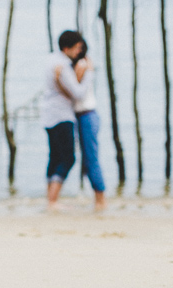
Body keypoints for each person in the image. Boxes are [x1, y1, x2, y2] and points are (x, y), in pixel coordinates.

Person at [42, 31, 86, 208]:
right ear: (67, 48)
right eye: (77, 48)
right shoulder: (63, 65)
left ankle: (50, 198)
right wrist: (87, 74)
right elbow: (78, 93)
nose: (78, 52)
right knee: (68, 158)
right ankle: (53, 200)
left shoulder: (49, 60)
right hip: (62, 115)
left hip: (47, 114)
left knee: (54, 157)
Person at [68, 40, 106, 209]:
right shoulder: (83, 64)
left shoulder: (82, 65)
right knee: (88, 158)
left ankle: (100, 199)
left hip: (86, 115)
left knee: (91, 158)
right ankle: (98, 198)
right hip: (84, 115)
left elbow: (75, 91)